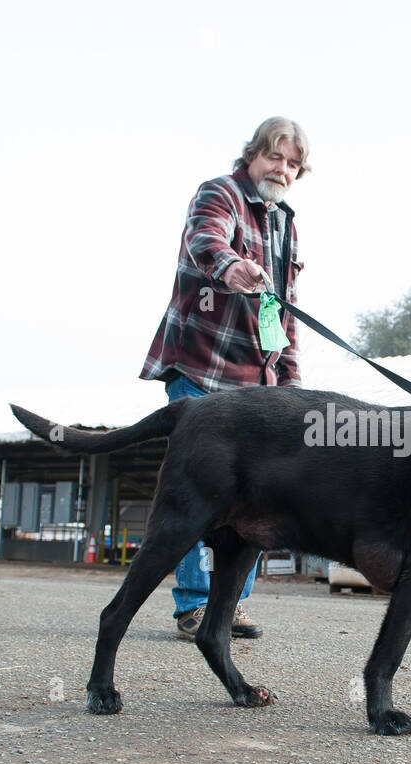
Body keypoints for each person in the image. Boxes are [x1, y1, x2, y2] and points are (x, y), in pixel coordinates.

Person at [140, 116, 310, 640]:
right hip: (202, 367)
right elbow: (205, 238)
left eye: (292, 163)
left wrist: (291, 385)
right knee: (197, 494)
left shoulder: (286, 223)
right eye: (274, 157)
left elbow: (284, 312)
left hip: (256, 385)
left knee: (255, 498)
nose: (282, 169)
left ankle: (228, 606)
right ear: (254, 154)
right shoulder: (222, 192)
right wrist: (231, 266)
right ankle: (195, 605)